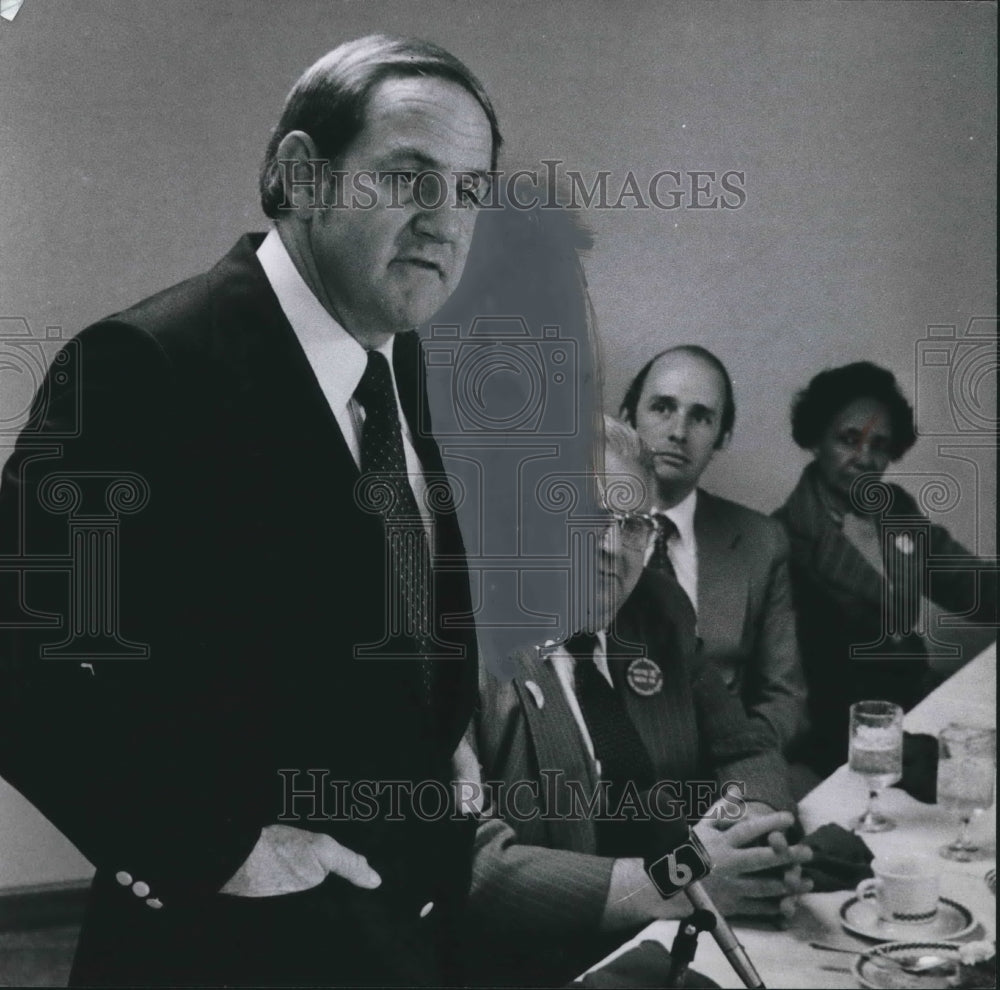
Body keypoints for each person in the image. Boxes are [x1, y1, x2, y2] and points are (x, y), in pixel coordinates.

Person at [0, 35, 498, 986]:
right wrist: (210, 846)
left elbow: (355, 604)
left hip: (400, 935)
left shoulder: (392, 351)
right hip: (228, 950)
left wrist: (442, 726)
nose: (445, 224)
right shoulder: (143, 365)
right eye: (409, 177)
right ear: (304, 175)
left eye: (470, 191)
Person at [465, 417, 812, 987]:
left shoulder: (658, 611)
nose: (610, 547)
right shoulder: (467, 648)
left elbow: (744, 744)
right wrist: (680, 880)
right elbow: (474, 865)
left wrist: (751, 842)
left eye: (631, 525)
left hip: (666, 940)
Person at [774, 361, 998, 778]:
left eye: (879, 444)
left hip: (919, 708)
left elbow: (969, 584)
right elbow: (795, 690)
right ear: (816, 439)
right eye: (849, 439)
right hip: (842, 739)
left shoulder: (895, 508)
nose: (865, 458)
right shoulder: (782, 539)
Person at [619, 345, 808, 754]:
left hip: (722, 779)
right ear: (628, 417)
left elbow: (785, 698)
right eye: (662, 408)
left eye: (701, 417)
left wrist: (739, 768)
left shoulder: (761, 542)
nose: (679, 432)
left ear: (723, 436)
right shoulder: (576, 528)